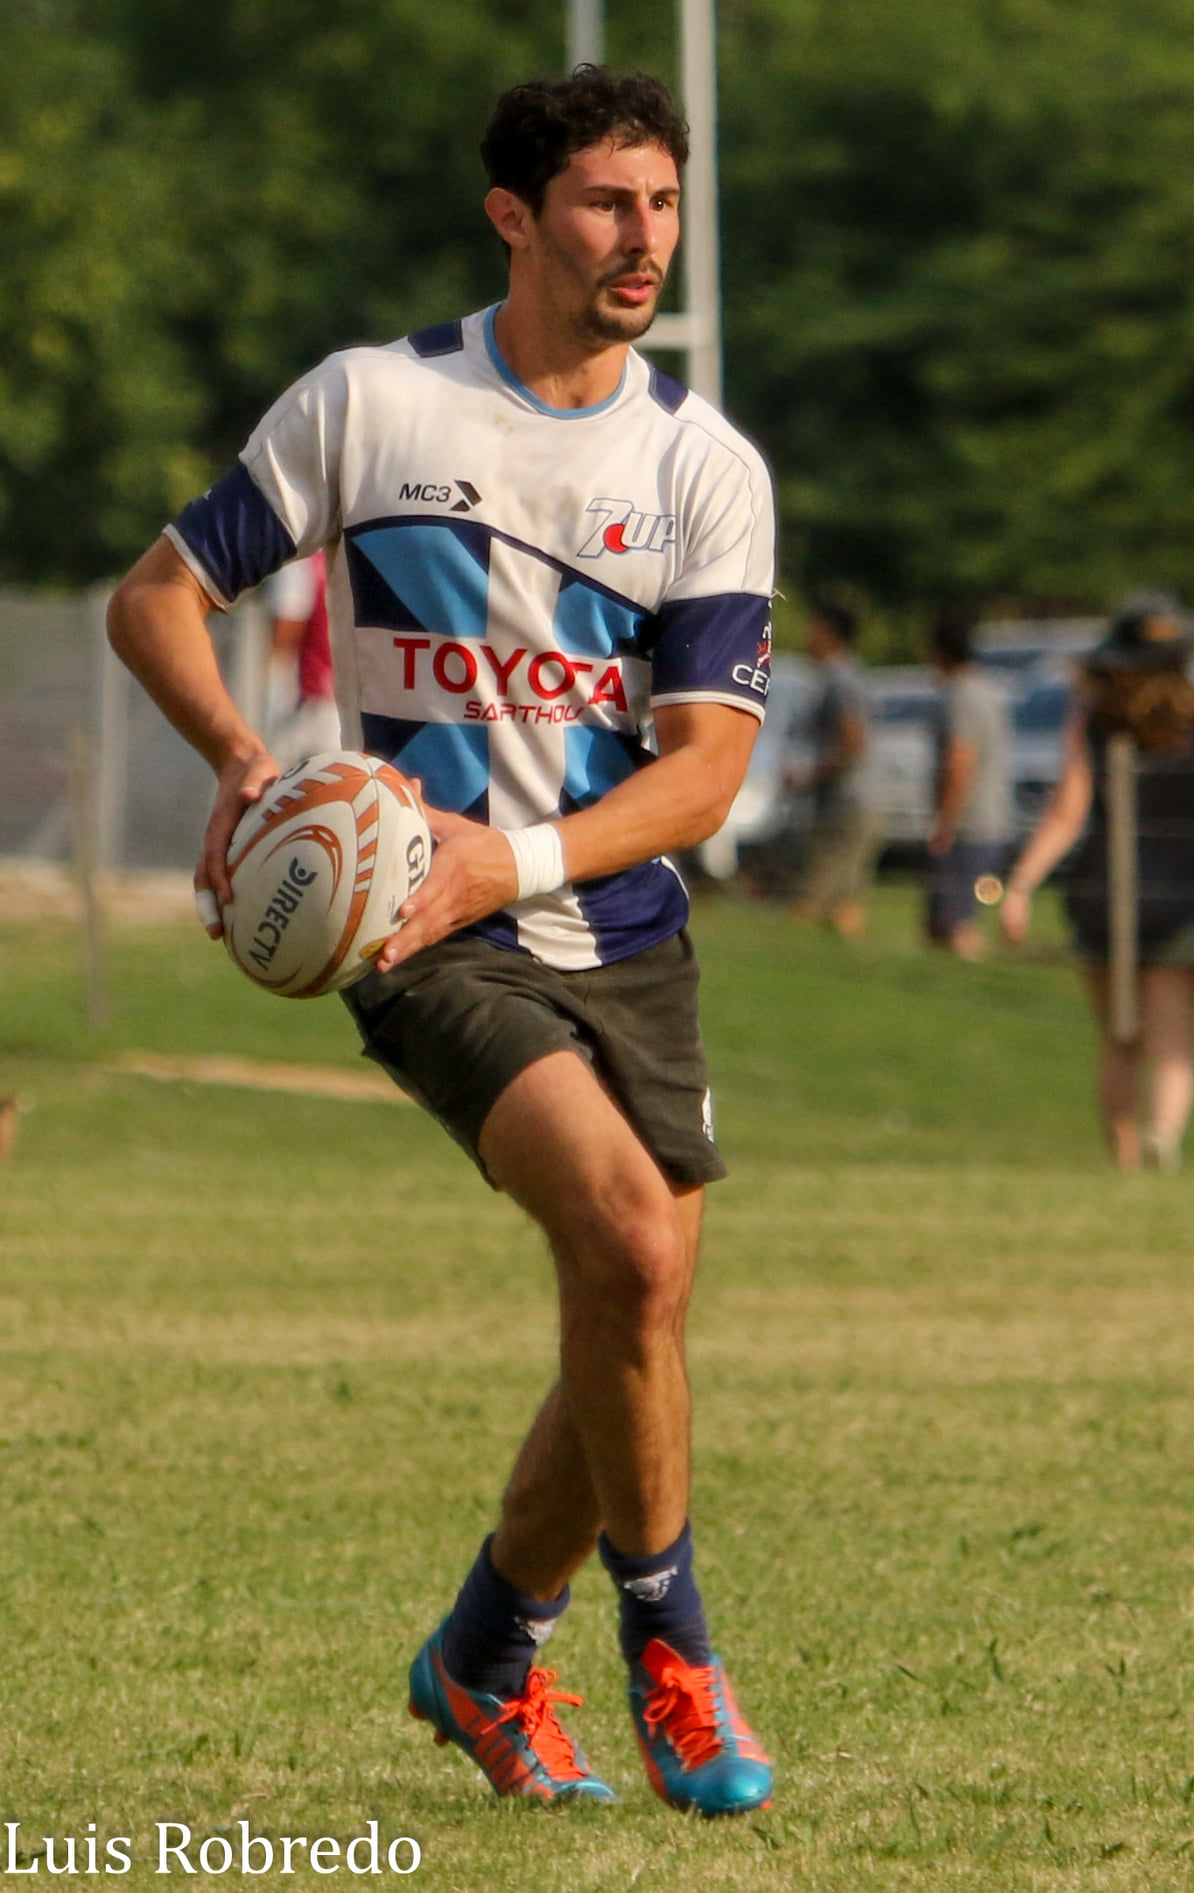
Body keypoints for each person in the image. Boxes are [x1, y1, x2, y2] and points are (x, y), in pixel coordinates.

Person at [106, 68, 775, 1818]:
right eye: (605, 204)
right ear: (513, 217)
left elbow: (706, 770)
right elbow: (157, 595)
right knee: (627, 1245)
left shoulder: (702, 465)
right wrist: (246, 764)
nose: (641, 238)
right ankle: (676, 1652)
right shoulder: (375, 403)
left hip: (619, 928)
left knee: (632, 1310)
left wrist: (522, 858)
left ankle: (483, 1653)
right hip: (417, 926)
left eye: (661, 204)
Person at [1001, 594, 1194, 1171]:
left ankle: (1125, 1163)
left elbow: (1066, 814)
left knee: (1119, 1039)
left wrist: (1021, 885)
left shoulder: (1096, 723)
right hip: (1179, 896)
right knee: (1172, 1044)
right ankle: (1163, 1135)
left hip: (1103, 896)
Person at [925, 608, 1012, 960]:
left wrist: (945, 822)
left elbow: (960, 763)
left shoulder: (960, 697)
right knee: (947, 921)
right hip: (993, 819)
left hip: (968, 825)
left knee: (957, 923)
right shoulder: (990, 692)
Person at [788, 600, 878, 937]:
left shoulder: (842, 679)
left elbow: (854, 742)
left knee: (815, 896)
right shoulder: (843, 675)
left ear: (829, 633)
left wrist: (810, 777)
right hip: (851, 801)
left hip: (845, 803)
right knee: (843, 900)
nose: (806, 635)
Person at [263, 550, 341, 764]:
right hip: (350, 703)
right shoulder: (365, 551)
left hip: (313, 707)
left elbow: (285, 635)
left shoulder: (300, 560)